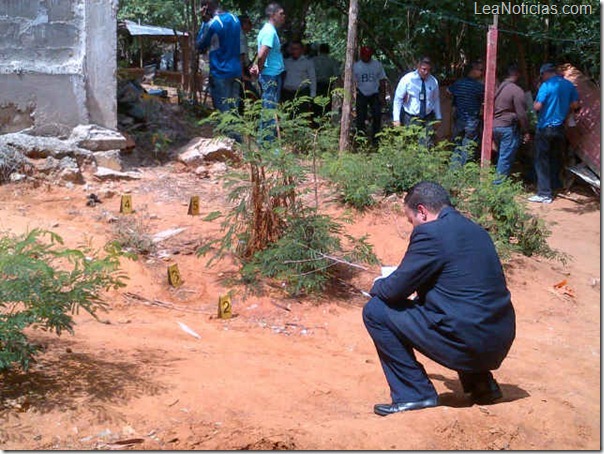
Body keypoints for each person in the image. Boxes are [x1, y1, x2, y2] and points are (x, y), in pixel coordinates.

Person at [363, 181, 516, 416]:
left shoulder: (431, 234)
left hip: (468, 341)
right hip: (498, 338)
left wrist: (377, 284)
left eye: (411, 219)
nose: (413, 226)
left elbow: (394, 291)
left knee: (375, 311)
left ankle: (414, 394)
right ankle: (483, 386)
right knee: (458, 307)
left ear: (422, 211)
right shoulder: (476, 230)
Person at [529, 63, 580, 203]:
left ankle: (544, 194)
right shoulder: (569, 85)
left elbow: (537, 106)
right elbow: (576, 105)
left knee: (541, 160)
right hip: (560, 128)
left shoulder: (546, 86)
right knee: (555, 158)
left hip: (545, 127)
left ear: (545, 73)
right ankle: (555, 185)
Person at [196, 0, 242, 114]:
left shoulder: (213, 24)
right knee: (234, 109)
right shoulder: (235, 19)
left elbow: (200, 45)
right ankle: (236, 132)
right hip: (236, 71)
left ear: (206, 7)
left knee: (223, 112)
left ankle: (227, 132)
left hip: (220, 72)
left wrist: (204, 23)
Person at [250, 3, 286, 142]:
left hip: (272, 74)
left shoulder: (269, 31)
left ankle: (266, 141)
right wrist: (259, 67)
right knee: (269, 109)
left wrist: (257, 66)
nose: (284, 17)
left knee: (269, 107)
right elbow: (263, 52)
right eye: (281, 14)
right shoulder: (269, 32)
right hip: (270, 76)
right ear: (273, 15)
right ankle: (267, 143)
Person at [393, 57, 442, 148]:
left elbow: (436, 99)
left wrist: (438, 117)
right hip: (411, 117)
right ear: (418, 67)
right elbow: (398, 99)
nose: (426, 72)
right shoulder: (407, 79)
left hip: (427, 117)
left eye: (428, 70)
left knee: (427, 143)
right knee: (410, 142)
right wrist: (396, 119)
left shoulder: (433, 81)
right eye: (424, 69)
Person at [493, 64, 530, 180]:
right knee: (505, 157)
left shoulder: (498, 88)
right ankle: (498, 186)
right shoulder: (516, 90)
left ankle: (497, 181)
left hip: (495, 126)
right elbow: (522, 114)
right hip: (507, 127)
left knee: (502, 156)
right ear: (517, 74)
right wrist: (526, 130)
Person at [448, 60, 484, 165]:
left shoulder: (459, 83)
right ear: (473, 70)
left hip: (459, 119)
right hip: (471, 121)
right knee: (468, 146)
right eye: (480, 70)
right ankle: (464, 171)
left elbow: (448, 92)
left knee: (457, 144)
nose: (482, 73)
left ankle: (454, 169)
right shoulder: (478, 86)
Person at [352, 46, 387, 145]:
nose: (367, 57)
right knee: (361, 118)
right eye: (365, 55)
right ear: (361, 55)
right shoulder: (356, 66)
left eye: (369, 55)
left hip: (374, 94)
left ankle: (376, 140)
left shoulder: (377, 65)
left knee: (377, 116)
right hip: (361, 93)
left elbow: (382, 80)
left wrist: (383, 96)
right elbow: (352, 82)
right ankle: (360, 140)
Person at [282, 40, 317, 105]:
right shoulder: (285, 62)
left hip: (302, 93)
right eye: (292, 49)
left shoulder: (307, 62)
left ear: (301, 50)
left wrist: (313, 95)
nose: (294, 51)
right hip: (287, 93)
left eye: (296, 49)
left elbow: (312, 78)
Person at [238, 14, 259, 112]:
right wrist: (243, 75)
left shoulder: (242, 36)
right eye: (249, 23)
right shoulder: (240, 36)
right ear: (243, 24)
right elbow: (241, 56)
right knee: (253, 96)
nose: (251, 26)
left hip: (243, 70)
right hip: (241, 73)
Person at [313, 43, 341, 113]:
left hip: (315, 86)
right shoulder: (332, 61)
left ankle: (315, 121)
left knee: (315, 105)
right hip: (327, 86)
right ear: (328, 51)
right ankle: (325, 121)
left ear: (319, 50)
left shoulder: (313, 60)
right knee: (326, 105)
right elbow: (337, 74)